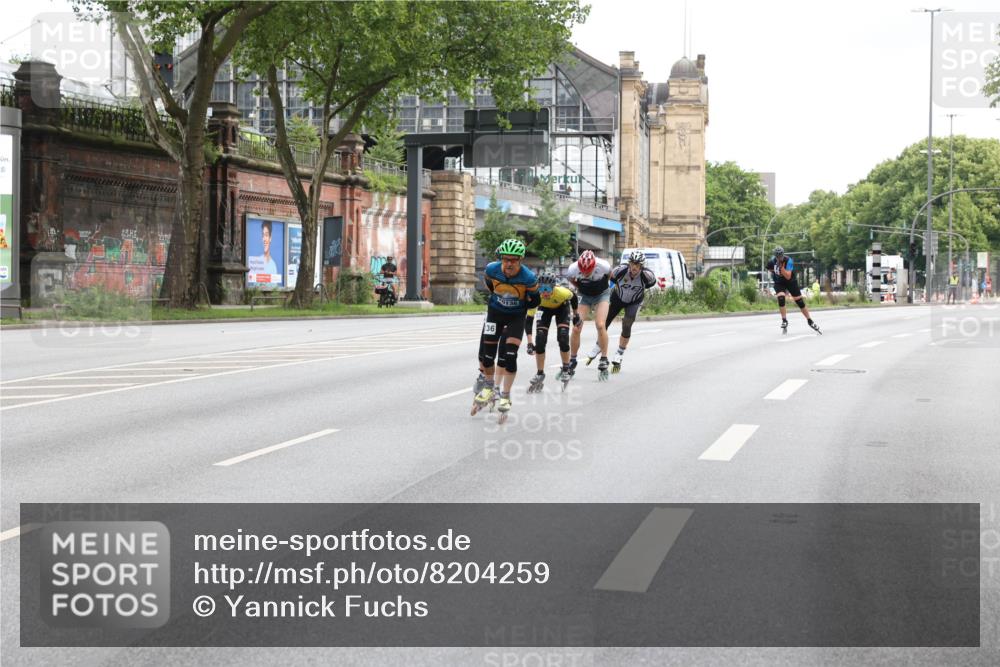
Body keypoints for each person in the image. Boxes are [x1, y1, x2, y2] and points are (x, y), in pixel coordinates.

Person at [472, 239, 540, 417]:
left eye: (514, 260)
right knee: (487, 355)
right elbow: (489, 285)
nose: (509, 263)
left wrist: (522, 306)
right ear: (501, 258)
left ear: (521, 260)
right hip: (495, 313)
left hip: (515, 317)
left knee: (510, 356)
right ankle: (488, 387)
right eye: (506, 259)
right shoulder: (491, 269)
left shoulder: (528, 278)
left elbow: (536, 300)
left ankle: (506, 395)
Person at [604, 251, 657, 373]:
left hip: (634, 301)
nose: (634, 267)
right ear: (629, 263)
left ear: (641, 266)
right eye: (632, 264)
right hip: (617, 298)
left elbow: (649, 285)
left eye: (637, 265)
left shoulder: (648, 276)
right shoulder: (620, 270)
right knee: (605, 322)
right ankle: (598, 346)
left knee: (627, 324)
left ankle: (620, 353)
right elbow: (610, 281)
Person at [527, 272, 580, 393]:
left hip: (561, 308)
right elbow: (528, 321)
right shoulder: (536, 297)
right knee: (539, 340)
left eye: (548, 289)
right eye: (541, 289)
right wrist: (530, 343)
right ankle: (540, 373)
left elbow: (574, 298)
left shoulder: (562, 292)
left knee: (563, 338)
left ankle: (566, 370)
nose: (544, 292)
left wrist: (576, 315)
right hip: (544, 309)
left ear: (554, 287)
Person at [566, 250, 614, 380]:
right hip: (584, 295)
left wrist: (600, 287)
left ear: (594, 265)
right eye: (583, 271)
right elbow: (571, 280)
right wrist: (582, 287)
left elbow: (610, 276)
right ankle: (573, 359)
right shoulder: (573, 269)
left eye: (589, 271)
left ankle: (604, 358)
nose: (586, 273)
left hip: (602, 294)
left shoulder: (603, 265)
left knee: (600, 324)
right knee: (576, 327)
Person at [766, 246, 821, 334]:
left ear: (783, 254)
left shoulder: (788, 260)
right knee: (781, 298)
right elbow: (769, 268)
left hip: (790, 281)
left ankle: (810, 320)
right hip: (779, 282)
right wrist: (775, 273)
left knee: (799, 302)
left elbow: (788, 276)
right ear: (775, 256)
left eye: (780, 256)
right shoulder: (772, 261)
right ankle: (784, 320)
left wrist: (781, 268)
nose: (779, 258)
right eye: (777, 256)